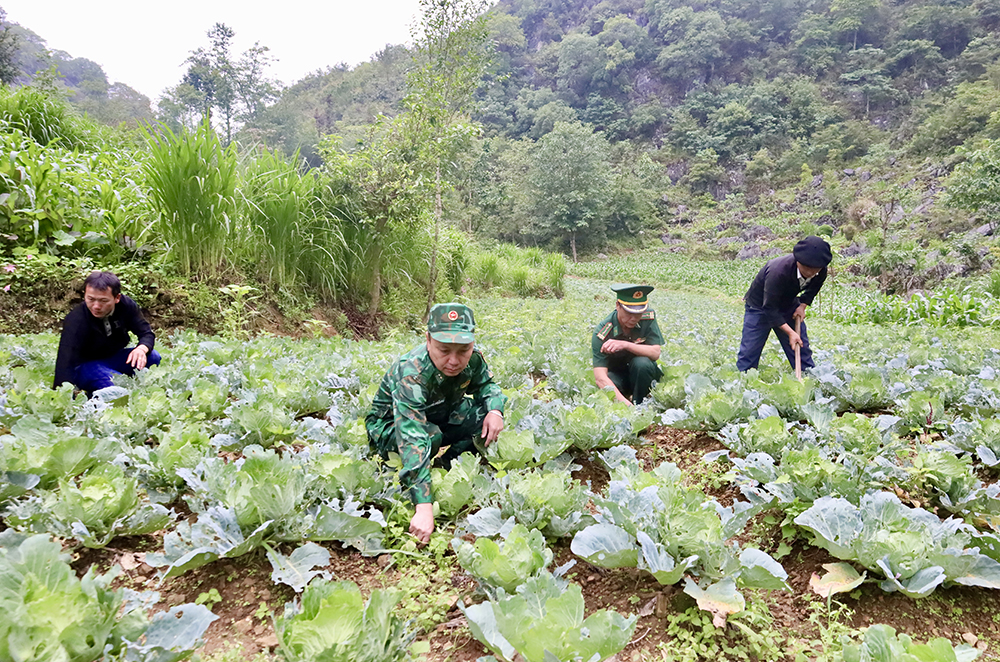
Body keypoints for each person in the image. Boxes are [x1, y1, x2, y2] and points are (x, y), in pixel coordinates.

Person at [366, 303, 506, 544]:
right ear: (428, 340)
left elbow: (486, 386)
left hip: (440, 413)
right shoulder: (411, 372)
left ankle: (446, 465)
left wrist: (495, 410)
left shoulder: (474, 359)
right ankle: (410, 477)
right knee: (429, 437)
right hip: (390, 426)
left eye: (463, 350)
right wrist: (423, 507)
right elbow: (411, 435)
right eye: (444, 350)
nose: (454, 360)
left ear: (472, 343)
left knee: (484, 419)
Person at [737, 235, 833, 373]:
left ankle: (808, 379)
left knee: (800, 346)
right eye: (807, 268)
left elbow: (813, 288)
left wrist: (802, 306)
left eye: (815, 269)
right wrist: (790, 332)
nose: (811, 273)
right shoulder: (778, 271)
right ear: (798, 261)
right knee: (749, 351)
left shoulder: (820, 270)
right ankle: (743, 381)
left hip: (788, 304)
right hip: (759, 307)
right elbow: (769, 308)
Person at [53, 271, 161, 393]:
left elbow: (146, 332)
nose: (96, 306)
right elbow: (65, 359)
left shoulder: (126, 306)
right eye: (91, 299)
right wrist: (63, 393)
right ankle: (104, 384)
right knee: (114, 387)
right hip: (86, 366)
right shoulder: (76, 320)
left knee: (153, 357)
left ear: (117, 298)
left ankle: (112, 380)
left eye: (103, 301)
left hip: (114, 358)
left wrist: (141, 348)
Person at [592, 284, 664, 405]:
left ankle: (641, 402)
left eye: (639, 313)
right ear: (617, 306)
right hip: (619, 376)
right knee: (609, 384)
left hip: (643, 375)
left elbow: (655, 352)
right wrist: (627, 406)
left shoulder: (648, 317)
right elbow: (600, 378)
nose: (634, 318)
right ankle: (627, 399)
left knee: (642, 364)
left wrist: (626, 345)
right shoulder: (603, 332)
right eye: (629, 313)